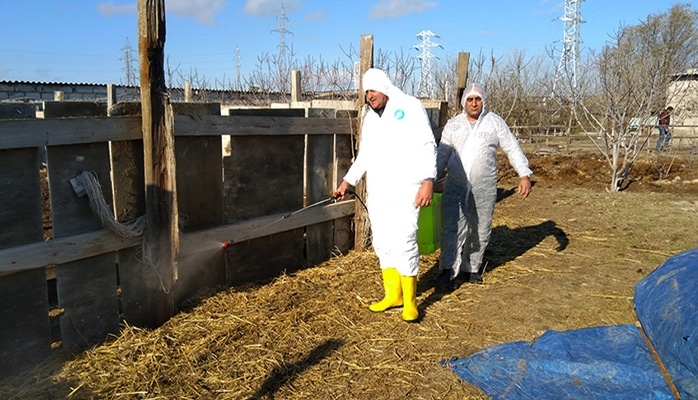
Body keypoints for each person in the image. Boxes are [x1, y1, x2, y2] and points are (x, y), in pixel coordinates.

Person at [335, 68, 437, 322]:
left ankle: (411, 302)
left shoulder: (410, 107)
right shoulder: (369, 118)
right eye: (366, 91)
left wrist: (428, 180)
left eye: (373, 90)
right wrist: (348, 181)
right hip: (379, 190)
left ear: (384, 87)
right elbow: (365, 156)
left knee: (404, 240)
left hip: (406, 188)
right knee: (383, 242)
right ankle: (393, 295)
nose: (369, 95)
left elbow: (427, 143)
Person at [431, 84, 532, 290]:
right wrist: (429, 178)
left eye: (477, 99)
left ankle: (472, 267)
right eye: (470, 99)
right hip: (456, 185)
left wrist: (524, 174)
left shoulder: (494, 123)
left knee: (481, 226)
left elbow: (512, 147)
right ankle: (448, 269)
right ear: (464, 102)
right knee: (451, 226)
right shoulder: (454, 125)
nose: (474, 103)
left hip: (484, 186)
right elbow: (442, 154)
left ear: (483, 101)